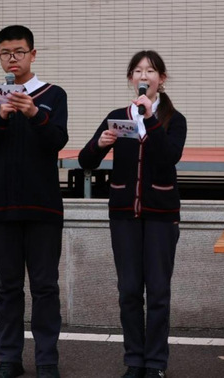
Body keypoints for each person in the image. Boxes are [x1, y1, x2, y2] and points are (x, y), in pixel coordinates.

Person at [78, 50, 187, 378]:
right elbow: (85, 161)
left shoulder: (174, 119)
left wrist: (150, 118)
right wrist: (100, 144)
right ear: (130, 79)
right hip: (124, 214)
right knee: (128, 291)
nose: (144, 76)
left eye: (150, 71)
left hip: (161, 215)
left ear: (161, 79)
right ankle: (134, 361)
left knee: (158, 292)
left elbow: (169, 157)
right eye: (138, 71)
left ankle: (155, 363)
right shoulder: (117, 117)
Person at [0, 25, 68, 378]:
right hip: (0, 207)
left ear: (32, 55)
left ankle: (47, 361)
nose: (13, 59)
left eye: (19, 52)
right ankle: (9, 359)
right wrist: (1, 116)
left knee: (45, 287)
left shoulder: (54, 95)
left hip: (43, 208)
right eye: (6, 53)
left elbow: (57, 140)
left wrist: (33, 112)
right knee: (8, 287)